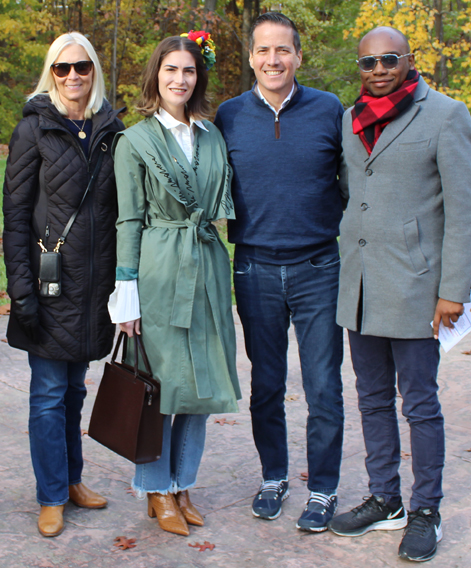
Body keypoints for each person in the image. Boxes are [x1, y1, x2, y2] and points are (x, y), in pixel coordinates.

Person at [328, 27, 471, 562]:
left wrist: (452, 290)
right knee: (371, 399)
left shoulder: (445, 114)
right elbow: (353, 193)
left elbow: (466, 211)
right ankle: (385, 499)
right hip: (362, 287)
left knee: (419, 404)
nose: (378, 69)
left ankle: (426, 510)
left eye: (389, 59)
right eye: (368, 62)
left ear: (409, 60)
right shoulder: (350, 121)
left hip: (419, 289)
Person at [214, 12, 345, 532]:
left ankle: (324, 489)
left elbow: (357, 181)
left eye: (283, 50)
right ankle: (273, 476)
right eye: (264, 51)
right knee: (267, 384)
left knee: (323, 386)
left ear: (297, 56)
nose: (273, 60)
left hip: (319, 266)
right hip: (254, 267)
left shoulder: (329, 109)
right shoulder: (227, 116)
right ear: (250, 57)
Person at [108, 32, 241, 537]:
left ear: (197, 77)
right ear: (155, 76)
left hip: (206, 265)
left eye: (188, 71)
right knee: (160, 389)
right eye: (171, 70)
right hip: (159, 268)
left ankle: (183, 483)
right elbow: (128, 221)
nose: (180, 79)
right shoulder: (134, 141)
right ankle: (156, 489)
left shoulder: (211, 136)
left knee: (201, 386)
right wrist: (127, 292)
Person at [3, 32, 124, 537]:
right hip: (49, 289)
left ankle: (72, 481)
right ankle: (51, 495)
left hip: (94, 287)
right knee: (49, 394)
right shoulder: (34, 129)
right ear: (50, 73)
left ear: (93, 70)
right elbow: (14, 216)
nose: (72, 76)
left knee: (75, 391)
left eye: (81, 67)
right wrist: (22, 290)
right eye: (61, 68)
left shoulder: (112, 128)